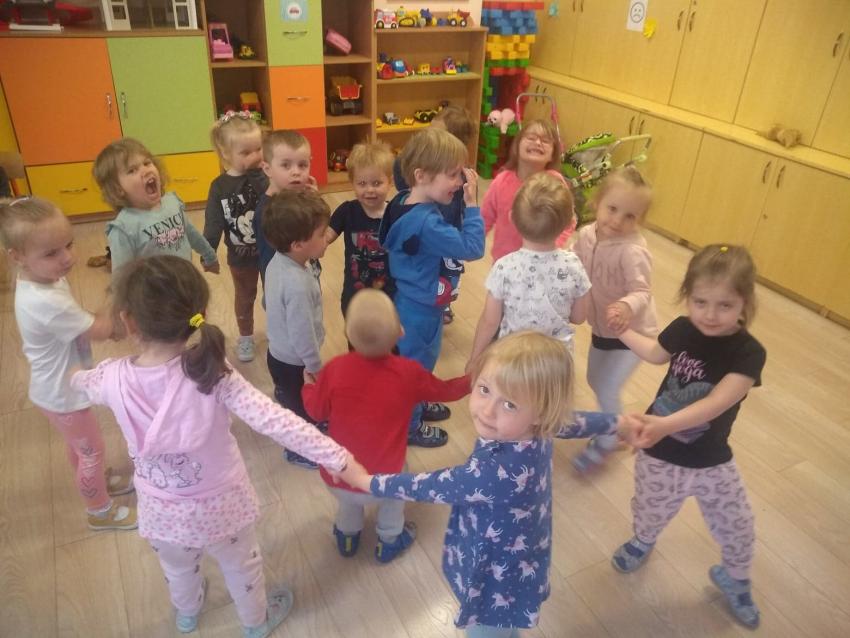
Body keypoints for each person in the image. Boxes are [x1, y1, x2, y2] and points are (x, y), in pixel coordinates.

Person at [70, 255, 351, 637]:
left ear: (129, 322)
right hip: (222, 506)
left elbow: (79, 383)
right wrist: (337, 457)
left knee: (177, 568)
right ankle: (255, 623)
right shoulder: (214, 373)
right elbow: (276, 421)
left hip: (161, 510)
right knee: (242, 566)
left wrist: (72, 370)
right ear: (198, 314)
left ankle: (187, 614)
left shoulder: (110, 379)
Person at [340, 331, 626, 638]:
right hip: (522, 553)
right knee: (505, 626)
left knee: (487, 630)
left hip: (495, 576)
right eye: (485, 389)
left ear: (541, 413)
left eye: (510, 404)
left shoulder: (493, 472)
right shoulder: (540, 426)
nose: (488, 411)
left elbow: (428, 485)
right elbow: (572, 421)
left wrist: (367, 481)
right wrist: (619, 422)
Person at [611, 244, 766, 629]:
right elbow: (655, 353)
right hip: (659, 452)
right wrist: (623, 331)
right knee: (650, 507)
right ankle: (644, 539)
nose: (710, 315)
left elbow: (716, 403)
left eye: (725, 305)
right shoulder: (683, 328)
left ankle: (736, 577)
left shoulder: (748, 353)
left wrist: (663, 424)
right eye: (700, 302)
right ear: (687, 296)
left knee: (738, 522)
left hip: (712, 458)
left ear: (745, 303)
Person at [0, 196, 137, 531]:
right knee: (92, 451)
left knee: (81, 448)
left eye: (69, 244)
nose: (66, 258)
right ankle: (99, 511)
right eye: (51, 253)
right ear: (17, 257)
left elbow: (81, 321)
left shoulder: (40, 278)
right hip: (62, 394)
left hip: (56, 388)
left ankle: (96, 483)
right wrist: (119, 295)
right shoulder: (43, 300)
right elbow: (100, 329)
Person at [302, 288, 470, 562]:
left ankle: (347, 535)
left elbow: (316, 410)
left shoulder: (334, 369)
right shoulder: (408, 373)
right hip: (384, 480)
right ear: (400, 332)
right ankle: (389, 539)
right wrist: (472, 381)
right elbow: (444, 391)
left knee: (348, 501)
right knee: (396, 491)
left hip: (338, 476)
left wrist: (308, 387)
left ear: (347, 334)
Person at [379, 127, 485, 447]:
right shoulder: (428, 223)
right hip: (421, 309)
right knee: (416, 367)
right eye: (452, 175)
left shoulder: (402, 201)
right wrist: (472, 204)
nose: (459, 182)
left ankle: (420, 402)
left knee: (417, 363)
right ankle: (411, 426)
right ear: (421, 175)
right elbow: (473, 248)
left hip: (410, 299)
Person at [570, 166, 657, 473]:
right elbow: (574, 263)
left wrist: (626, 305)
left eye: (630, 216)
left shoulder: (633, 251)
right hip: (603, 329)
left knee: (607, 386)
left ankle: (607, 440)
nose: (618, 221)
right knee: (595, 380)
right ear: (597, 202)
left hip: (635, 335)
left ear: (640, 220)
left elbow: (642, 291)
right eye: (612, 209)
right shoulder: (586, 235)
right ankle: (618, 426)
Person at [468, 172, 589, 369]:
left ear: (512, 219)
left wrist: (475, 359)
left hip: (514, 360)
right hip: (556, 364)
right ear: (569, 223)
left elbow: (490, 322)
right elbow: (578, 317)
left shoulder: (504, 267)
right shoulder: (574, 265)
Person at [262, 189, 330, 469]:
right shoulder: (297, 284)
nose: (327, 237)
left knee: (293, 399)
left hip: (279, 354)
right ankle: (297, 450)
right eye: (322, 234)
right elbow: (302, 334)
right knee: (299, 411)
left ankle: (290, 400)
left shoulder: (279, 260)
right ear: (299, 244)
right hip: (295, 362)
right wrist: (314, 367)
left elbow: (269, 302)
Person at [393, 104, 477, 327]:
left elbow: (458, 215)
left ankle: (444, 303)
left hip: (447, 239)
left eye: (436, 134)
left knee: (447, 276)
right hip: (424, 235)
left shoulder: (458, 179)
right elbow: (401, 179)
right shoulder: (424, 167)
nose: (428, 137)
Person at [92, 138, 219, 275]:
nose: (145, 171)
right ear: (117, 189)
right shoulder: (124, 228)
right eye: (132, 170)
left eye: (147, 163)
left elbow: (190, 233)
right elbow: (121, 277)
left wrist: (209, 255)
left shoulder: (172, 203)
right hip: (152, 288)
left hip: (186, 279)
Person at [203, 111, 268, 362]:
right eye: (246, 152)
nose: (255, 156)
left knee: (275, 295)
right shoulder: (219, 186)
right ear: (226, 154)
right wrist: (208, 251)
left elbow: (275, 199)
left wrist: (258, 174)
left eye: (258, 149)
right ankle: (246, 337)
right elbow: (213, 222)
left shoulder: (264, 176)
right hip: (240, 256)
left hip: (272, 252)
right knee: (244, 296)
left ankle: (280, 330)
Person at [482, 118, 576, 262]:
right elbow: (484, 218)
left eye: (545, 141)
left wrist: (554, 244)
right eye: (531, 138)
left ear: (553, 154)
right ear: (517, 146)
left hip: (543, 260)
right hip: (505, 261)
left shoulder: (555, 182)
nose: (537, 142)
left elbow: (569, 220)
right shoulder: (501, 181)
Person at [326, 141, 394, 319]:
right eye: (362, 183)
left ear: (390, 182)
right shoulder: (347, 211)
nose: (369, 189)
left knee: (388, 333)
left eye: (377, 183)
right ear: (352, 183)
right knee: (356, 332)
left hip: (390, 293)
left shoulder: (395, 214)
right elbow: (324, 238)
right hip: (355, 293)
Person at [254, 130, 319, 283]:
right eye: (286, 165)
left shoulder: (300, 197)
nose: (296, 172)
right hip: (286, 284)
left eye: (302, 165)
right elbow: (270, 258)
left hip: (308, 276)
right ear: (267, 169)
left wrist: (314, 202)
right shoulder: (267, 212)